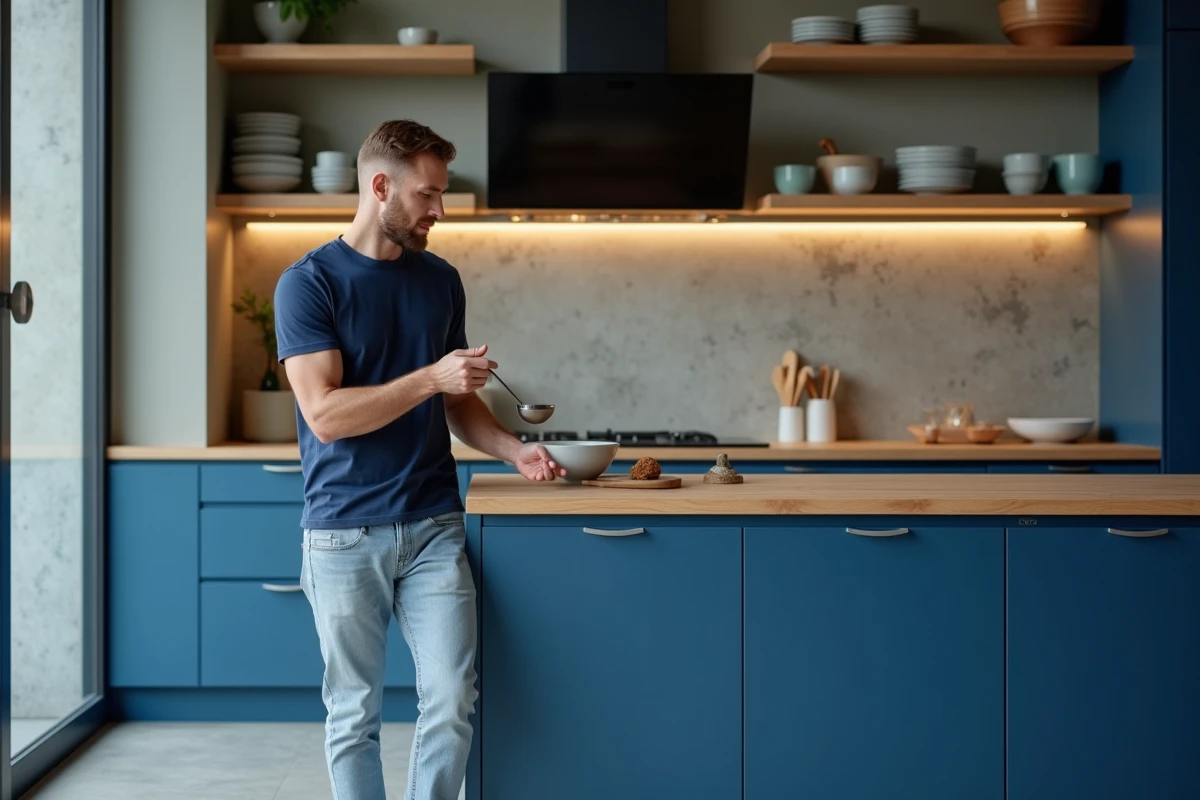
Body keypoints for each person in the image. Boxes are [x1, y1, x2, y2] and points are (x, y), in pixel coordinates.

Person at [273, 119, 566, 800]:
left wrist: (513, 448)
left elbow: (458, 406)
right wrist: (432, 378)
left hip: (434, 526)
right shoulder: (308, 284)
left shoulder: (440, 281)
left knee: (450, 698)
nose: (439, 210)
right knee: (355, 715)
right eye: (428, 195)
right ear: (381, 186)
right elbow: (327, 415)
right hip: (344, 531)